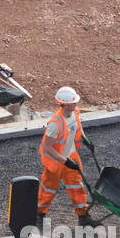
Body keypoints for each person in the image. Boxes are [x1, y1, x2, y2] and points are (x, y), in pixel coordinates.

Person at [38, 86, 94, 222]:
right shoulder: (55, 124)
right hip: (56, 162)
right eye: (70, 104)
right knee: (48, 188)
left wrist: (86, 140)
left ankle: (83, 215)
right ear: (62, 104)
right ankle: (39, 213)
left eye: (74, 103)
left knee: (76, 185)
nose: (73, 106)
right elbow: (47, 147)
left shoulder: (75, 113)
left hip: (71, 155)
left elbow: (78, 128)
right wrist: (64, 161)